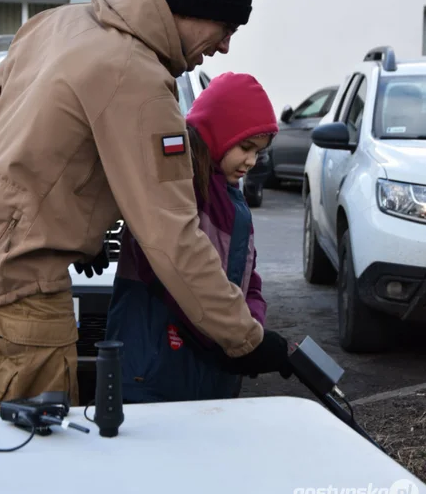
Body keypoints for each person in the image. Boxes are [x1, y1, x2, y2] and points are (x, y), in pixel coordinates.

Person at [0, 0, 288, 411]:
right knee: (36, 464)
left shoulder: (57, 23)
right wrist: (246, 339)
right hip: (23, 286)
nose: (223, 48)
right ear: (198, 12)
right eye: (227, 30)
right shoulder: (142, 82)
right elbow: (172, 237)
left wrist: (47, 212)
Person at [105, 72, 292, 403]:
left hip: (210, 371)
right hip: (154, 369)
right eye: (246, 147)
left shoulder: (232, 200)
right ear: (219, 132)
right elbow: (176, 277)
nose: (251, 161)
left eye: (258, 152)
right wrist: (236, 339)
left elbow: (249, 276)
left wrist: (251, 330)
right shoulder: (178, 187)